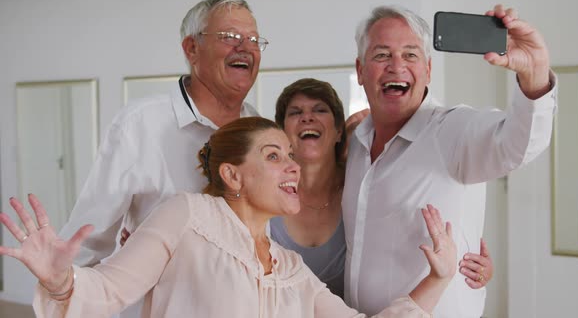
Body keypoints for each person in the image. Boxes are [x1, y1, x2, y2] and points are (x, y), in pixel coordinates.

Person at [1, 117, 457, 317]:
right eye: (274, 156)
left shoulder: (291, 269)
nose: (293, 165)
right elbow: (110, 290)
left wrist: (437, 279)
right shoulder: (185, 215)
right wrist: (61, 281)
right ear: (231, 175)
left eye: (292, 155)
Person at [57, 0, 264, 317]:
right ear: (191, 49)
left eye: (253, 39)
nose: (246, 48)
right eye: (229, 37)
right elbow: (86, 242)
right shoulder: (139, 125)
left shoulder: (261, 129)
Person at [343, 4, 556, 317]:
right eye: (382, 54)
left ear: (428, 69)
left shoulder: (453, 131)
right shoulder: (355, 142)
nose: (396, 66)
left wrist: (534, 72)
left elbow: (517, 145)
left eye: (410, 54)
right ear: (361, 70)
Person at [270, 78, 494, 298]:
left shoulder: (361, 184)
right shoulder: (267, 194)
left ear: (339, 131)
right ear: (282, 133)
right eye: (295, 112)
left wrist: (470, 264)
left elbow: (404, 238)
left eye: (319, 110)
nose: (307, 118)